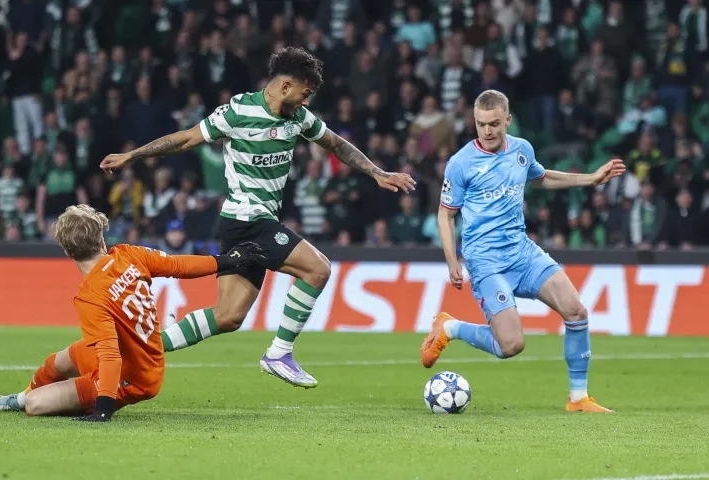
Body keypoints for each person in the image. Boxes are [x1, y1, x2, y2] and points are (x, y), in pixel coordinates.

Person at [99, 47, 416, 388]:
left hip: (247, 224)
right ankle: (280, 353)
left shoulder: (299, 118)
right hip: (247, 218)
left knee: (228, 316)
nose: (306, 100)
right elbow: (186, 138)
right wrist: (131, 156)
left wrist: (377, 172)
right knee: (318, 269)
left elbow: (337, 144)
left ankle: (138, 350)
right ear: (285, 86)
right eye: (305, 93)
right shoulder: (238, 111)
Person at [421, 90, 626, 413]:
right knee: (511, 345)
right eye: (480, 124)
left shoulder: (522, 150)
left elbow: (541, 178)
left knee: (576, 311)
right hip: (486, 261)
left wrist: (591, 179)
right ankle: (450, 327)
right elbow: (445, 215)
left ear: (507, 120)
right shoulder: (461, 163)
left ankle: (578, 398)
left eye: (493, 124)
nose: (487, 131)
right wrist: (452, 260)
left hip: (522, 252)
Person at [0, 205, 267, 421]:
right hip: (135, 353)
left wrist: (103, 408)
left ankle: (33, 400)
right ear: (101, 241)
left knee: (36, 406)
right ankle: (19, 397)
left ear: (68, 253)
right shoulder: (129, 254)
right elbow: (179, 265)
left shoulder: (90, 296)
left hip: (136, 375)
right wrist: (227, 261)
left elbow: (110, 356)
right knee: (58, 361)